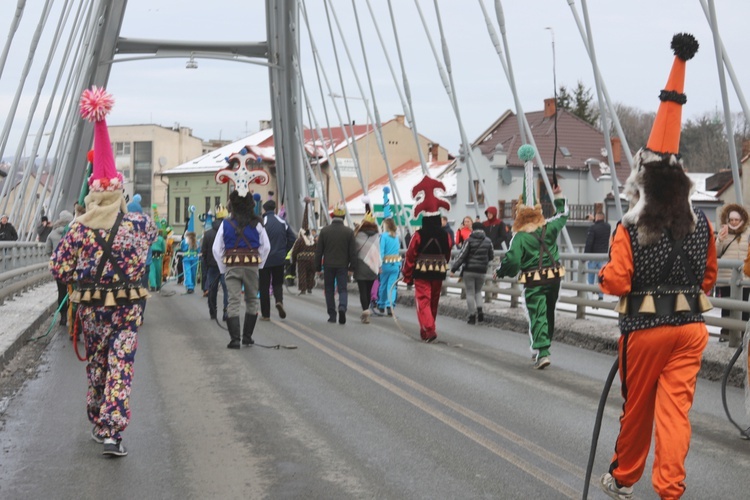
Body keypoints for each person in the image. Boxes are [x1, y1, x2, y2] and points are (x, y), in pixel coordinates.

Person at [598, 34, 717, 500]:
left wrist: (604, 278)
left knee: (638, 409)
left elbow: (618, 279)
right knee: (675, 413)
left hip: (645, 330)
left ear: (641, 177)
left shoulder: (630, 224)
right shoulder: (700, 223)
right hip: (691, 328)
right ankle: (670, 489)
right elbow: (708, 277)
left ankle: (625, 477)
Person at [50, 87, 157, 457]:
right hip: (128, 311)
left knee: (97, 361)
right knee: (120, 366)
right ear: (119, 192)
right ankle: (112, 432)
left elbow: (58, 267)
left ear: (93, 192)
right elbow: (153, 242)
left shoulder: (78, 228)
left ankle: (97, 415)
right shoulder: (139, 225)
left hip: (92, 310)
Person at [495, 144, 568, 370]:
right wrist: (558, 196)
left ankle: (542, 350)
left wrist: (501, 272)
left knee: (537, 312)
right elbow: (564, 215)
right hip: (555, 277)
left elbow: (513, 260)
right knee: (548, 311)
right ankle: (542, 345)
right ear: (537, 209)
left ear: (518, 213)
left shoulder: (519, 237)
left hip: (534, 280)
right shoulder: (549, 227)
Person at [213, 150, 271, 349]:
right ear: (250, 205)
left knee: (233, 302)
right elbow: (266, 246)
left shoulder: (226, 224)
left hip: (231, 266)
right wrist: (258, 263)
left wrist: (223, 268)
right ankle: (247, 336)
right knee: (252, 300)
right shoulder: (257, 224)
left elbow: (216, 248)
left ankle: (235, 339)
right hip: (252, 267)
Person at [401, 176, 453, 342]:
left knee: (423, 301)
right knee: (433, 302)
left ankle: (429, 330)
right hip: (438, 270)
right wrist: (443, 263)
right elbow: (448, 252)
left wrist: (407, 275)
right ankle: (427, 330)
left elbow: (410, 255)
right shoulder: (446, 235)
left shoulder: (418, 234)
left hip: (422, 270)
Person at [315, 204, 357, 324]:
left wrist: (317, 267)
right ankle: (342, 307)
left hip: (328, 265)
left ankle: (332, 315)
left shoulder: (325, 231)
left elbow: (319, 251)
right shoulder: (349, 232)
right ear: (343, 217)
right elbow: (352, 252)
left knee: (329, 290)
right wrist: (352, 267)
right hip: (343, 266)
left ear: (332, 217)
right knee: (343, 289)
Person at [715, 203, 750, 342]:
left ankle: (743, 334)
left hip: (744, 278)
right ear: (727, 220)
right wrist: (719, 240)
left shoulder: (748, 233)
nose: (734, 222)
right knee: (726, 307)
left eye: (736, 219)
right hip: (725, 276)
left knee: (744, 307)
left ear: (742, 219)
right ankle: (726, 334)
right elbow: (715, 253)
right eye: (731, 220)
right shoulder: (723, 232)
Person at [259, 199, 296, 321]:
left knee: (264, 286)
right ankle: (279, 301)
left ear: (264, 210)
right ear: (274, 209)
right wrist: (285, 251)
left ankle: (266, 314)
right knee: (277, 283)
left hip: (264, 258)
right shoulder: (282, 221)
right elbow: (292, 237)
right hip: (279, 258)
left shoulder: (262, 221)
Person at [451, 221, 494, 324]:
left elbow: (462, 256)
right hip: (481, 271)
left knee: (470, 293)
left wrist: (453, 269)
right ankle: (480, 312)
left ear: (472, 229)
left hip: (469, 270)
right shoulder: (488, 241)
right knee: (478, 292)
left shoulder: (468, 241)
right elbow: (491, 255)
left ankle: (471, 316)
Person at [46, 210, 74, 326]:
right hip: (72, 267)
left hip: (59, 268)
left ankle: (63, 317)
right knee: (73, 292)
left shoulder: (52, 234)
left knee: (61, 292)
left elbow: (47, 250)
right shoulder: (74, 231)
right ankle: (73, 317)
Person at [353, 210, 380, 324]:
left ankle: (365, 310)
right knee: (369, 290)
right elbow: (379, 252)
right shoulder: (377, 236)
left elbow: (354, 250)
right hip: (373, 266)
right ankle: (367, 309)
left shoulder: (358, 235)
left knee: (362, 290)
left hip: (360, 265)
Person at [202, 205, 229, 321]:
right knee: (227, 289)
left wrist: (206, 266)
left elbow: (204, 252)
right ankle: (226, 312)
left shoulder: (208, 234)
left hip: (212, 266)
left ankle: (213, 312)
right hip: (226, 265)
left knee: (212, 290)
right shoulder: (229, 232)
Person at [291, 198, 318, 295]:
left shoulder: (300, 240)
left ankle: (303, 289)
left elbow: (295, 250)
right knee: (311, 273)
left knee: (302, 273)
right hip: (312, 259)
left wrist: (293, 260)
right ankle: (310, 287)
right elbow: (317, 249)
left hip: (302, 259)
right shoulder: (313, 239)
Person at [584, 212, 611, 300]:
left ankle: (590, 295)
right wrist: (594, 220)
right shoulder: (608, 227)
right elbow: (601, 226)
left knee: (590, 276)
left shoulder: (592, 228)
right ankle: (601, 295)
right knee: (601, 277)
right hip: (603, 255)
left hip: (593, 256)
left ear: (597, 218)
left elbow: (589, 242)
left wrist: (585, 255)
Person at [377, 217, 401, 315]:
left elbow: (381, 251)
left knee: (383, 285)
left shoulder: (383, 236)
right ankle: (390, 305)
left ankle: (381, 305)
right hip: (395, 263)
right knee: (392, 286)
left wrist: (379, 265)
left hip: (385, 264)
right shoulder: (396, 236)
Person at [180, 206, 200, 293]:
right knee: (193, 272)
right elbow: (199, 250)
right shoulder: (197, 241)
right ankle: (192, 285)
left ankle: (189, 286)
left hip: (187, 258)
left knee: (187, 272)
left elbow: (182, 248)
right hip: (195, 258)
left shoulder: (185, 241)